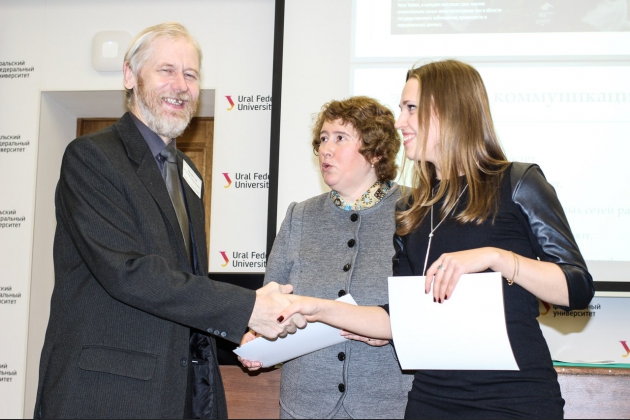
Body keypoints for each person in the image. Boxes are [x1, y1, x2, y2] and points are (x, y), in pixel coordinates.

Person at [277, 60, 595, 419]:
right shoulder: (411, 208)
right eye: (401, 108)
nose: (400, 122)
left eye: (411, 108)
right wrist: (317, 309)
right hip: (430, 399)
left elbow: (577, 287)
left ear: (449, 111)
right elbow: (398, 318)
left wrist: (495, 257)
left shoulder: (517, 182)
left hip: (514, 399)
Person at [34, 22, 303, 419]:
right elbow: (129, 273)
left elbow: (182, 282)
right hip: (108, 396)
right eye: (167, 70)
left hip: (179, 394)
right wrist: (247, 306)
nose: (181, 85)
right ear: (130, 75)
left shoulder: (188, 174)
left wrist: (241, 335)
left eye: (190, 75)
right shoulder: (92, 157)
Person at [240, 96, 413, 418]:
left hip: (386, 404)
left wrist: (393, 334)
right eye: (322, 139)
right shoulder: (300, 216)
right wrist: (257, 337)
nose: (325, 150)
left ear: (375, 152)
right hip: (305, 405)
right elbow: (272, 303)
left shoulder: (414, 211)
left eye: (340, 138)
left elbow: (428, 312)